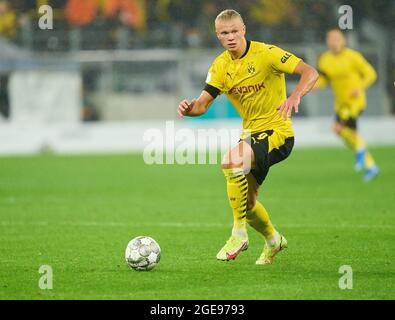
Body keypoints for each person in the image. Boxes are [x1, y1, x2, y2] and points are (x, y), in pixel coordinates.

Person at [177, 9, 318, 264]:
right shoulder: (220, 66)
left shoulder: (267, 54)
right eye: (224, 33)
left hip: (278, 132)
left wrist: (295, 95)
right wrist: (189, 110)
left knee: (230, 162)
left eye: (234, 31)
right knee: (249, 204)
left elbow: (310, 72)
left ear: (243, 30)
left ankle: (238, 234)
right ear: (218, 35)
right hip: (252, 134)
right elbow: (202, 105)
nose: (230, 37)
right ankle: (274, 240)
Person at [315, 29, 378, 181]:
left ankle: (361, 153)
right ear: (327, 42)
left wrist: (360, 86)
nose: (334, 41)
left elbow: (371, 74)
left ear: (343, 40)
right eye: (330, 38)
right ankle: (370, 164)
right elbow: (325, 79)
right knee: (343, 132)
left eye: (337, 38)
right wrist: (314, 85)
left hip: (355, 101)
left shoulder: (353, 56)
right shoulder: (324, 59)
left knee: (340, 128)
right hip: (340, 103)